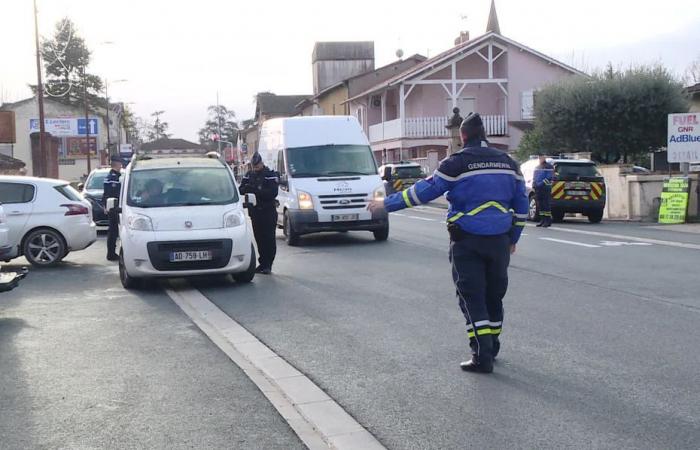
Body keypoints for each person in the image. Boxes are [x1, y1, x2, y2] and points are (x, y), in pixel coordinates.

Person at [368, 113, 529, 374]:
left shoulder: (456, 163)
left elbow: (422, 192)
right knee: (494, 295)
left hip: (467, 241)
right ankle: (493, 345)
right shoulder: (509, 163)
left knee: (472, 296)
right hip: (500, 241)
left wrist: (385, 204)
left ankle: (481, 355)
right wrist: (514, 237)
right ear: (484, 133)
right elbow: (522, 204)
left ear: (462, 136)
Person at [239, 152, 279, 275]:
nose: (255, 168)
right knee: (259, 239)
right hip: (255, 212)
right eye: (253, 166)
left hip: (268, 211)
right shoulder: (249, 175)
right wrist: (249, 189)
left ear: (262, 163)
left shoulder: (269, 175)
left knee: (269, 239)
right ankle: (262, 263)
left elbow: (272, 193)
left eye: (257, 165)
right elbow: (241, 189)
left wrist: (255, 190)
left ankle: (268, 264)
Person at [103, 156, 123, 261]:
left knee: (113, 230)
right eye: (120, 163)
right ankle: (110, 253)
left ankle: (111, 253)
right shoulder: (113, 177)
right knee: (113, 231)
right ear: (117, 164)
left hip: (111, 206)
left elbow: (105, 194)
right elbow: (112, 193)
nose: (121, 165)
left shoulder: (111, 176)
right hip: (114, 207)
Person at [533, 154, 555, 227]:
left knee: (546, 205)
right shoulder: (537, 167)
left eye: (542, 157)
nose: (540, 159)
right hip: (538, 189)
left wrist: (541, 184)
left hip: (545, 188)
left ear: (544, 158)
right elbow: (535, 177)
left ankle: (547, 220)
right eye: (539, 157)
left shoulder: (548, 167)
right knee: (540, 205)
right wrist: (534, 184)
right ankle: (542, 220)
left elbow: (549, 177)